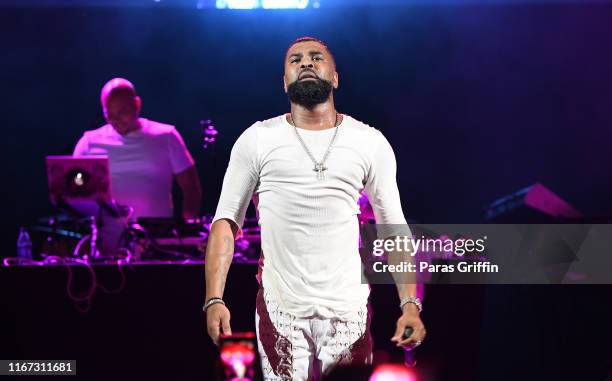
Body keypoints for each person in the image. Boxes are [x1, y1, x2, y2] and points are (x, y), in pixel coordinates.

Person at [204, 37, 426, 380]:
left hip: (347, 309)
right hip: (282, 309)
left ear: (335, 77)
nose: (305, 63)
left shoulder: (368, 141)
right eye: (295, 60)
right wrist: (214, 299)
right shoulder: (258, 139)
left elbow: (393, 228)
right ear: (284, 82)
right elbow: (225, 223)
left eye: (315, 57)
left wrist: (410, 305)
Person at [73, 78, 202, 253]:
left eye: (122, 112)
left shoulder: (166, 136)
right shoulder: (89, 142)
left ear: (137, 104)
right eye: (109, 114)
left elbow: (191, 186)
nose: (116, 120)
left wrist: (188, 229)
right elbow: (72, 193)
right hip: (107, 247)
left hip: (158, 244)